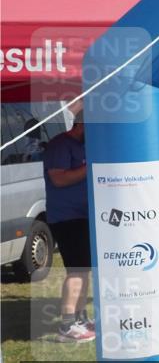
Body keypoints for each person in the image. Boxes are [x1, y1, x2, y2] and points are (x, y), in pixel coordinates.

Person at [43, 112, 93, 343]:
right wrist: (90, 166)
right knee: (76, 270)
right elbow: (59, 179)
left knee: (84, 269)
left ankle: (80, 318)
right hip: (66, 217)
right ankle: (67, 324)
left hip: (83, 216)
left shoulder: (82, 145)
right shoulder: (60, 145)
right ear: (82, 124)